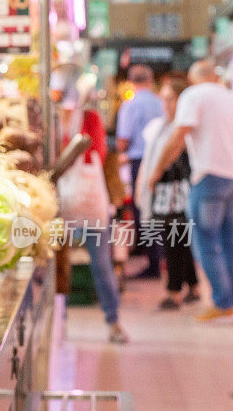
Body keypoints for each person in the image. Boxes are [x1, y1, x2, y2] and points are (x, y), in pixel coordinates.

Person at [148, 60, 233, 321]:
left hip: (207, 176)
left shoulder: (194, 95)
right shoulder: (228, 96)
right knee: (228, 240)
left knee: (204, 241)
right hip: (230, 177)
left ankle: (222, 300)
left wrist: (157, 169)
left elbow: (178, 135)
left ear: (194, 78)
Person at [59, 73, 129, 343]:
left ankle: (109, 322)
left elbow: (96, 152)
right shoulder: (75, 119)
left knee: (91, 263)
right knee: (83, 264)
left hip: (76, 201)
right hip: (75, 201)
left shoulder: (80, 120)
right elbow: (97, 153)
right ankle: (106, 323)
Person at [135, 77, 199, 310]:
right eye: (163, 98)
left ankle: (174, 292)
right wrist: (144, 181)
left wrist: (154, 173)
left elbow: (172, 154)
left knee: (175, 240)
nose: (165, 103)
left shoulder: (184, 127)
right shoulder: (162, 125)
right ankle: (193, 286)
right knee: (180, 240)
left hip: (178, 192)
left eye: (170, 98)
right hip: (164, 192)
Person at [116, 64, 164, 278]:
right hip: (163, 162)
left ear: (130, 82)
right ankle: (160, 258)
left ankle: (153, 264)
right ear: (151, 80)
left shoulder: (130, 105)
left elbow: (123, 140)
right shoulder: (160, 102)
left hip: (140, 162)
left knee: (143, 211)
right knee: (160, 210)